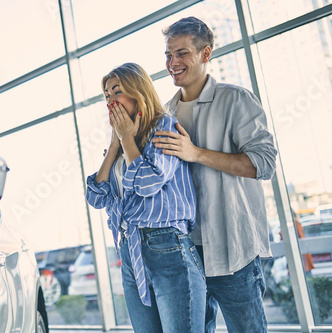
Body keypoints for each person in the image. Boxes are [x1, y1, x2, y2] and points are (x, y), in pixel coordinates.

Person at [152, 17, 278, 332]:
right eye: (168, 55)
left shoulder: (235, 99)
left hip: (232, 249)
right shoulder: (165, 114)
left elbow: (263, 163)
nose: (172, 63)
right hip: (183, 254)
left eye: (181, 53)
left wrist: (196, 153)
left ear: (205, 54)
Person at [85, 62, 206, 332]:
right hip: (130, 252)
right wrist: (116, 143)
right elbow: (96, 197)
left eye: (116, 91)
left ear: (137, 91)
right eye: (106, 95)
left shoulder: (163, 126)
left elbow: (149, 182)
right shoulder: (122, 143)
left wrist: (127, 139)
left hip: (168, 246)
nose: (110, 101)